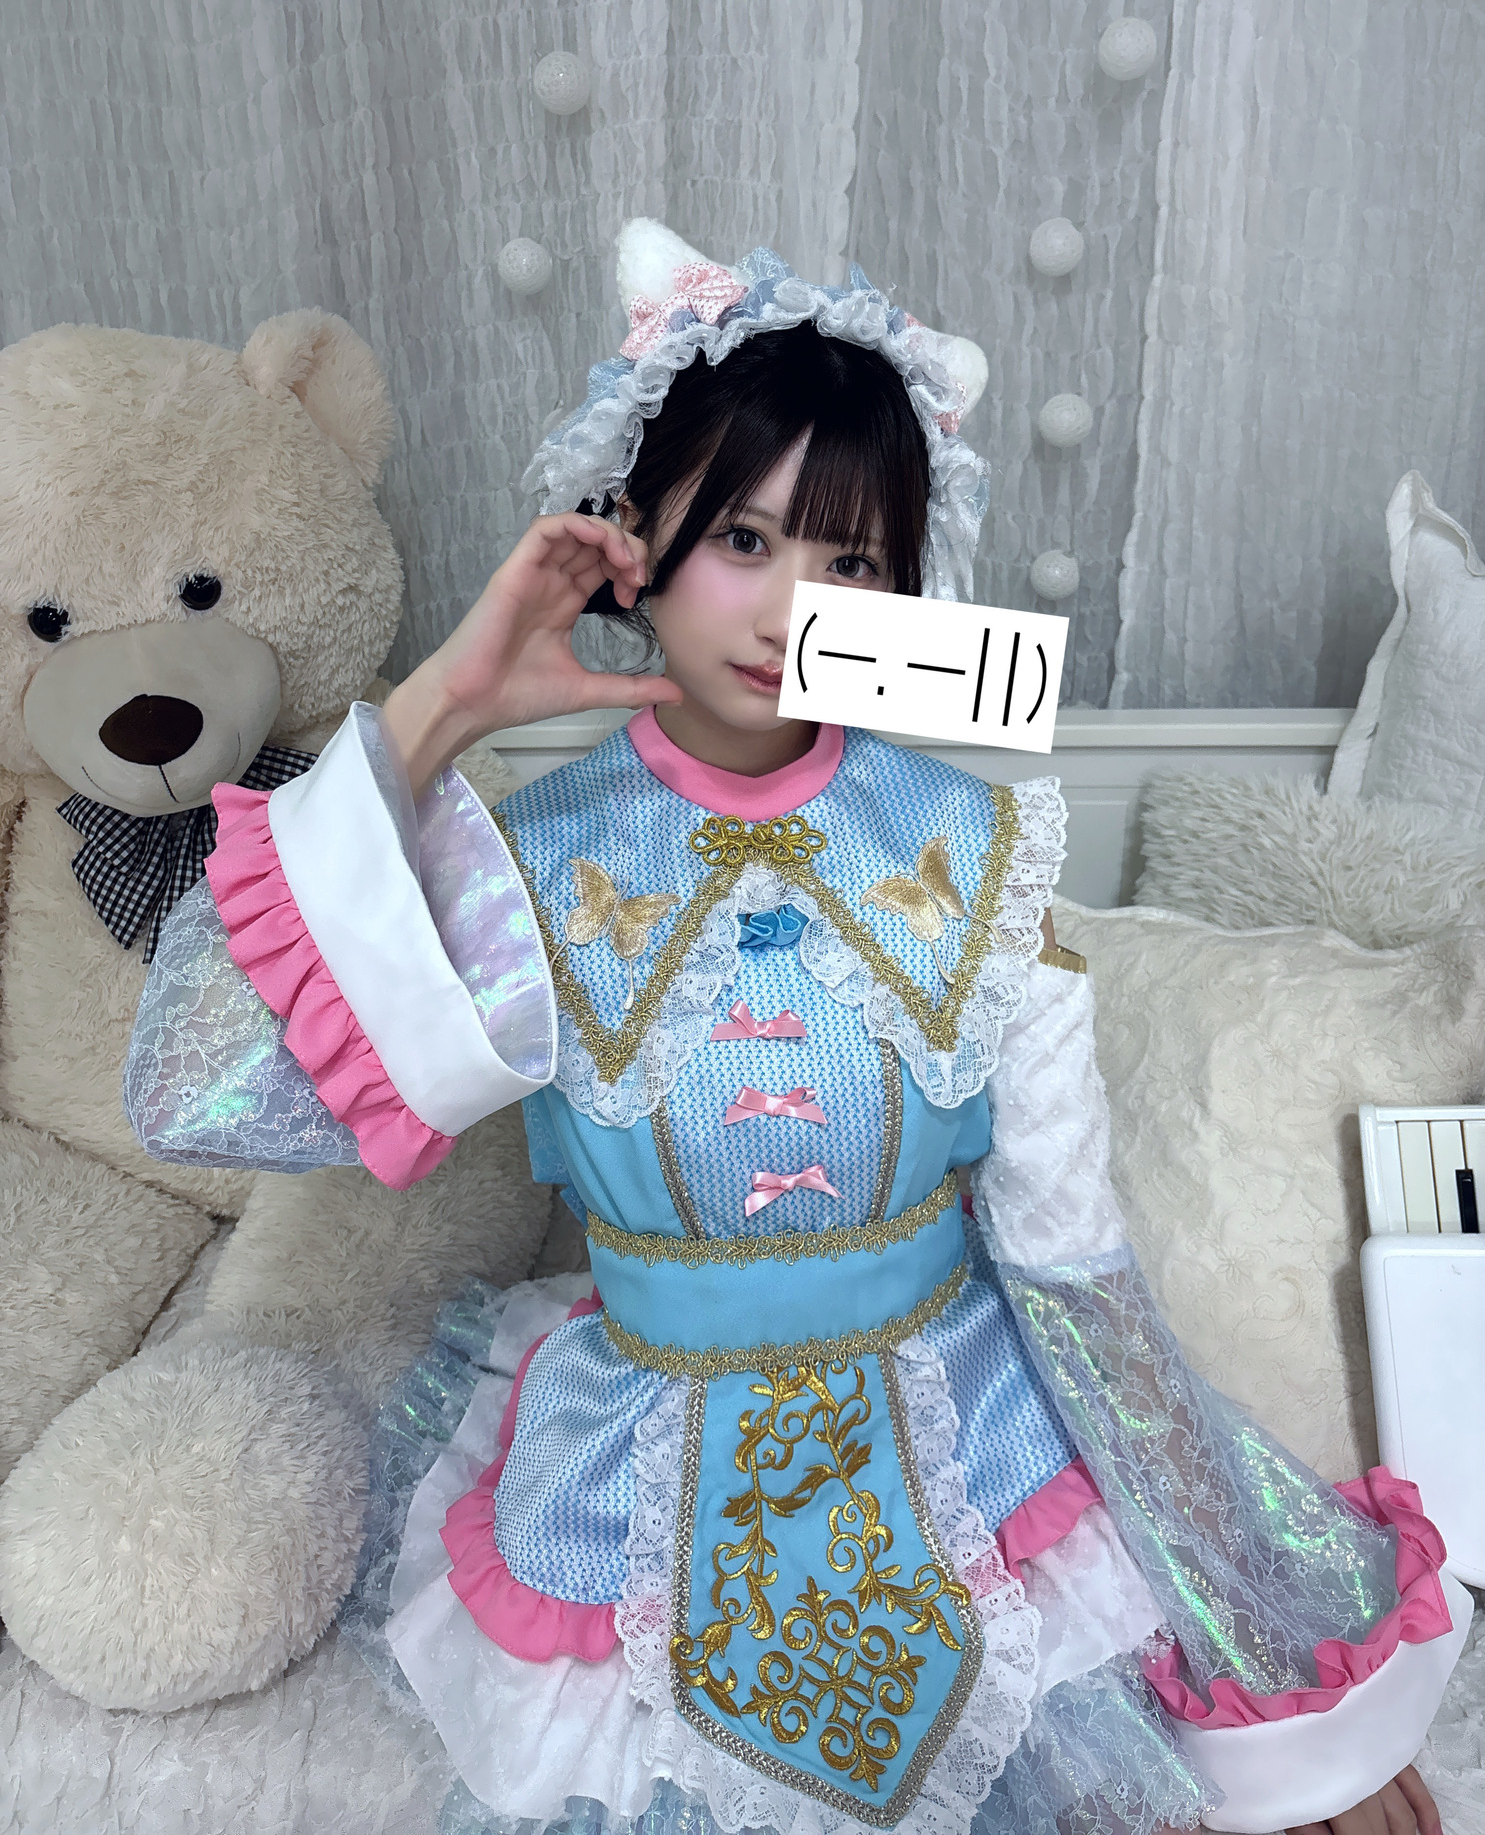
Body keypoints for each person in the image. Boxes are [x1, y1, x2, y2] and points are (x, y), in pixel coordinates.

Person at [127, 230, 1467, 1835]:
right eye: (743, 538)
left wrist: (1272, 1657)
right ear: (629, 542)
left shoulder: (977, 851)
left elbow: (1070, 1259)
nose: (790, 608)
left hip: (971, 1446)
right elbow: (202, 1085)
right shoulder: (521, 862)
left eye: (853, 561)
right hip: (639, 1468)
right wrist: (447, 703)